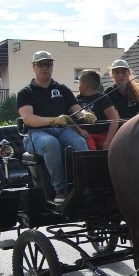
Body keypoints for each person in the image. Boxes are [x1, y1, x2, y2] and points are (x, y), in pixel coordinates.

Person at [17, 50, 96, 205]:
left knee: (80, 142)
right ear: (34, 67)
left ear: (52, 66)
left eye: (48, 64)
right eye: (41, 64)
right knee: (50, 144)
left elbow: (76, 110)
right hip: (36, 134)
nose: (45, 68)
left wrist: (86, 115)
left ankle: (85, 186)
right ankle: (60, 190)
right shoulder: (25, 92)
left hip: (63, 130)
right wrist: (53, 120)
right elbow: (29, 119)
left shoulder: (62, 89)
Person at [75, 69, 120, 150]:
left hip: (102, 135)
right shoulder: (77, 100)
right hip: (86, 135)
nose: (78, 86)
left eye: (79, 83)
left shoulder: (103, 98)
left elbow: (114, 120)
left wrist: (108, 141)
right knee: (89, 148)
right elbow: (71, 120)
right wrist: (80, 130)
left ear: (86, 86)